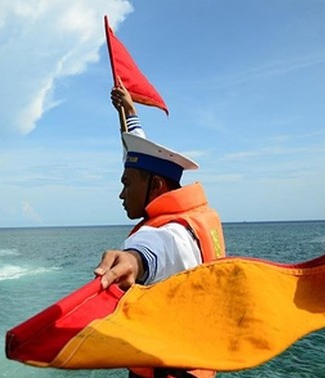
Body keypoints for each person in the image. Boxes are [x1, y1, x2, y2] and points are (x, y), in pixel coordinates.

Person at [95, 84, 225, 378]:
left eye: (126, 184)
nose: (121, 194)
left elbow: (161, 250)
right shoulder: (197, 216)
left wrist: (132, 261)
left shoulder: (174, 233)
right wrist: (130, 112)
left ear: (155, 186)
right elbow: (137, 154)